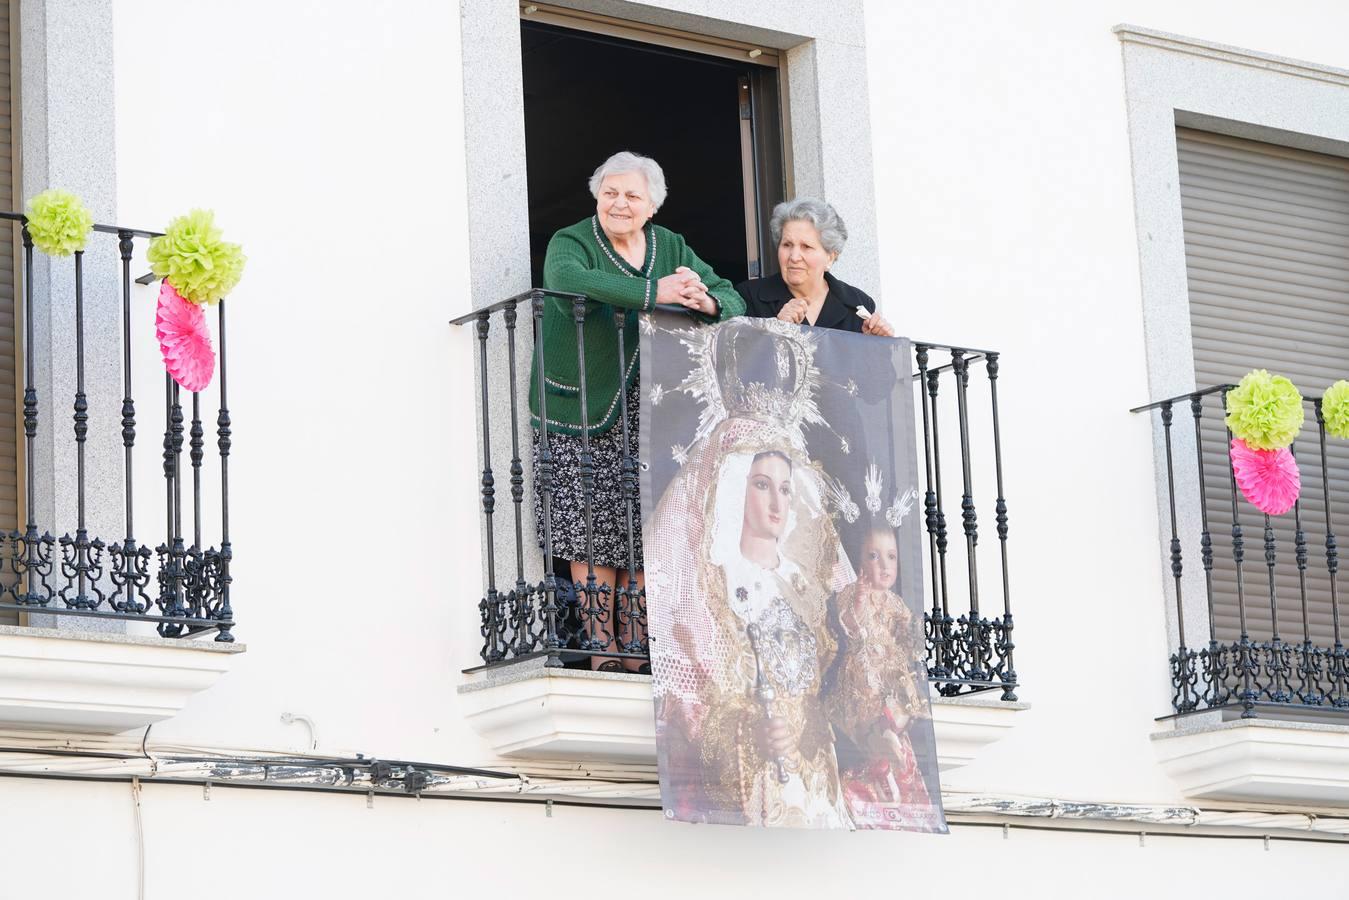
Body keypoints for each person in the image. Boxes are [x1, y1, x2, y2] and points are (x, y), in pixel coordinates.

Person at [528, 151, 745, 671]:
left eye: (632, 195)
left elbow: (730, 296)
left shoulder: (670, 246)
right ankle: (602, 648)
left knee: (645, 523)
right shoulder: (572, 240)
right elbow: (572, 280)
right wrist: (655, 291)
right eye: (610, 193)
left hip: (651, 410)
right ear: (597, 197)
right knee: (588, 527)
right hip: (580, 406)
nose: (619, 203)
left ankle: (637, 649)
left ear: (652, 206)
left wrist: (707, 301)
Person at [824, 520, 943, 831]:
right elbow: (849, 623)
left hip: (888, 672)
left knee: (901, 696)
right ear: (860, 561)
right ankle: (882, 734)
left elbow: (908, 634)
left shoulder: (895, 603)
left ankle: (889, 729)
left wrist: (914, 639)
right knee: (872, 698)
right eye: (873, 556)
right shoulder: (853, 593)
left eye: (891, 557)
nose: (884, 566)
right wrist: (860, 603)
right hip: (863, 668)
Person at [736, 198, 896, 336]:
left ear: (830, 257)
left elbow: (869, 368)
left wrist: (878, 344)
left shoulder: (857, 303)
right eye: (787, 245)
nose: (794, 256)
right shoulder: (749, 297)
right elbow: (737, 363)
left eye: (806, 246)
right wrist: (776, 328)